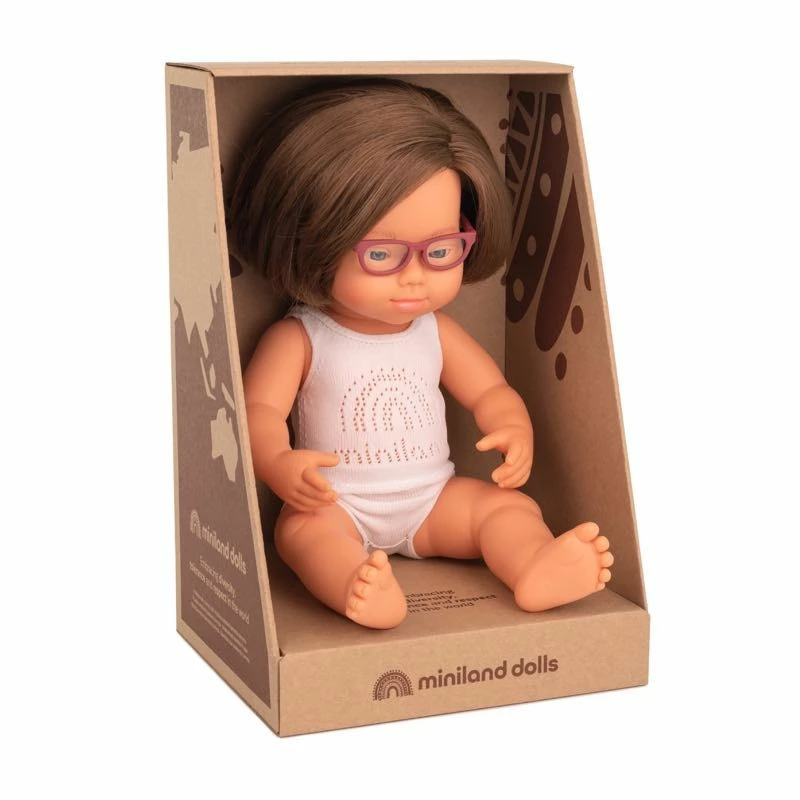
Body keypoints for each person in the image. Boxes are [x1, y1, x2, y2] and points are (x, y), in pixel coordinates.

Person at [230, 79, 612, 629]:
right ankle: (356, 586)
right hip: (336, 503)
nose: (414, 277)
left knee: (507, 509)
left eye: (440, 250)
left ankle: (533, 565)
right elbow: (258, 412)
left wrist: (512, 426)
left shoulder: (434, 331)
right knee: (302, 535)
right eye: (382, 254)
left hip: (433, 500)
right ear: (314, 239)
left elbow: (490, 389)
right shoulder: (301, 337)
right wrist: (277, 462)